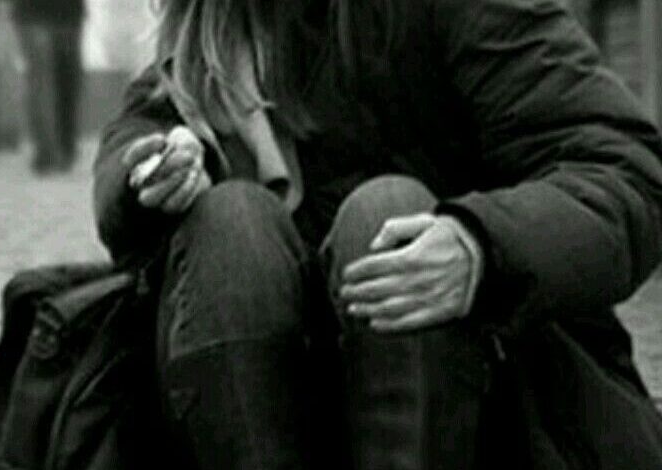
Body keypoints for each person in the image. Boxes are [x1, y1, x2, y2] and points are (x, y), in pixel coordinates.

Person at [93, 0, 662, 468]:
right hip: (253, 406)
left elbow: (624, 174)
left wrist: (481, 248)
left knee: (386, 213)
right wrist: (151, 177)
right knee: (230, 219)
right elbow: (127, 154)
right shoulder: (203, 42)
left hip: (476, 403)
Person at [7, 0, 85, 173]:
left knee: (62, 78)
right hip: (35, 12)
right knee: (43, 79)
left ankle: (60, 150)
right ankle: (48, 152)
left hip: (65, 13)